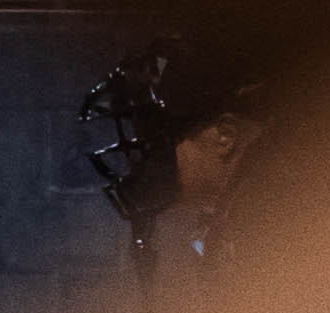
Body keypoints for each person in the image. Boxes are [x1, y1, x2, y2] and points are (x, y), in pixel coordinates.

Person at [83, 41, 273, 293]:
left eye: (160, 144)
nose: (145, 162)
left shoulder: (281, 215)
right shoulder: (243, 210)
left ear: (224, 137)